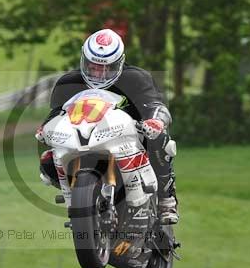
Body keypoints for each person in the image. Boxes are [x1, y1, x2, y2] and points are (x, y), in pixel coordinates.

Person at [36, 28, 179, 224]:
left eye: (107, 68)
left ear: (119, 63)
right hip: (83, 137)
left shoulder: (136, 78)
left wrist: (155, 121)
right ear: (83, 61)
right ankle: (80, 200)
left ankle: (166, 199)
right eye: (93, 66)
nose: (99, 73)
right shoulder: (68, 83)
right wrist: (45, 127)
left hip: (131, 139)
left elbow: (156, 106)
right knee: (48, 160)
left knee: (160, 139)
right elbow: (56, 113)